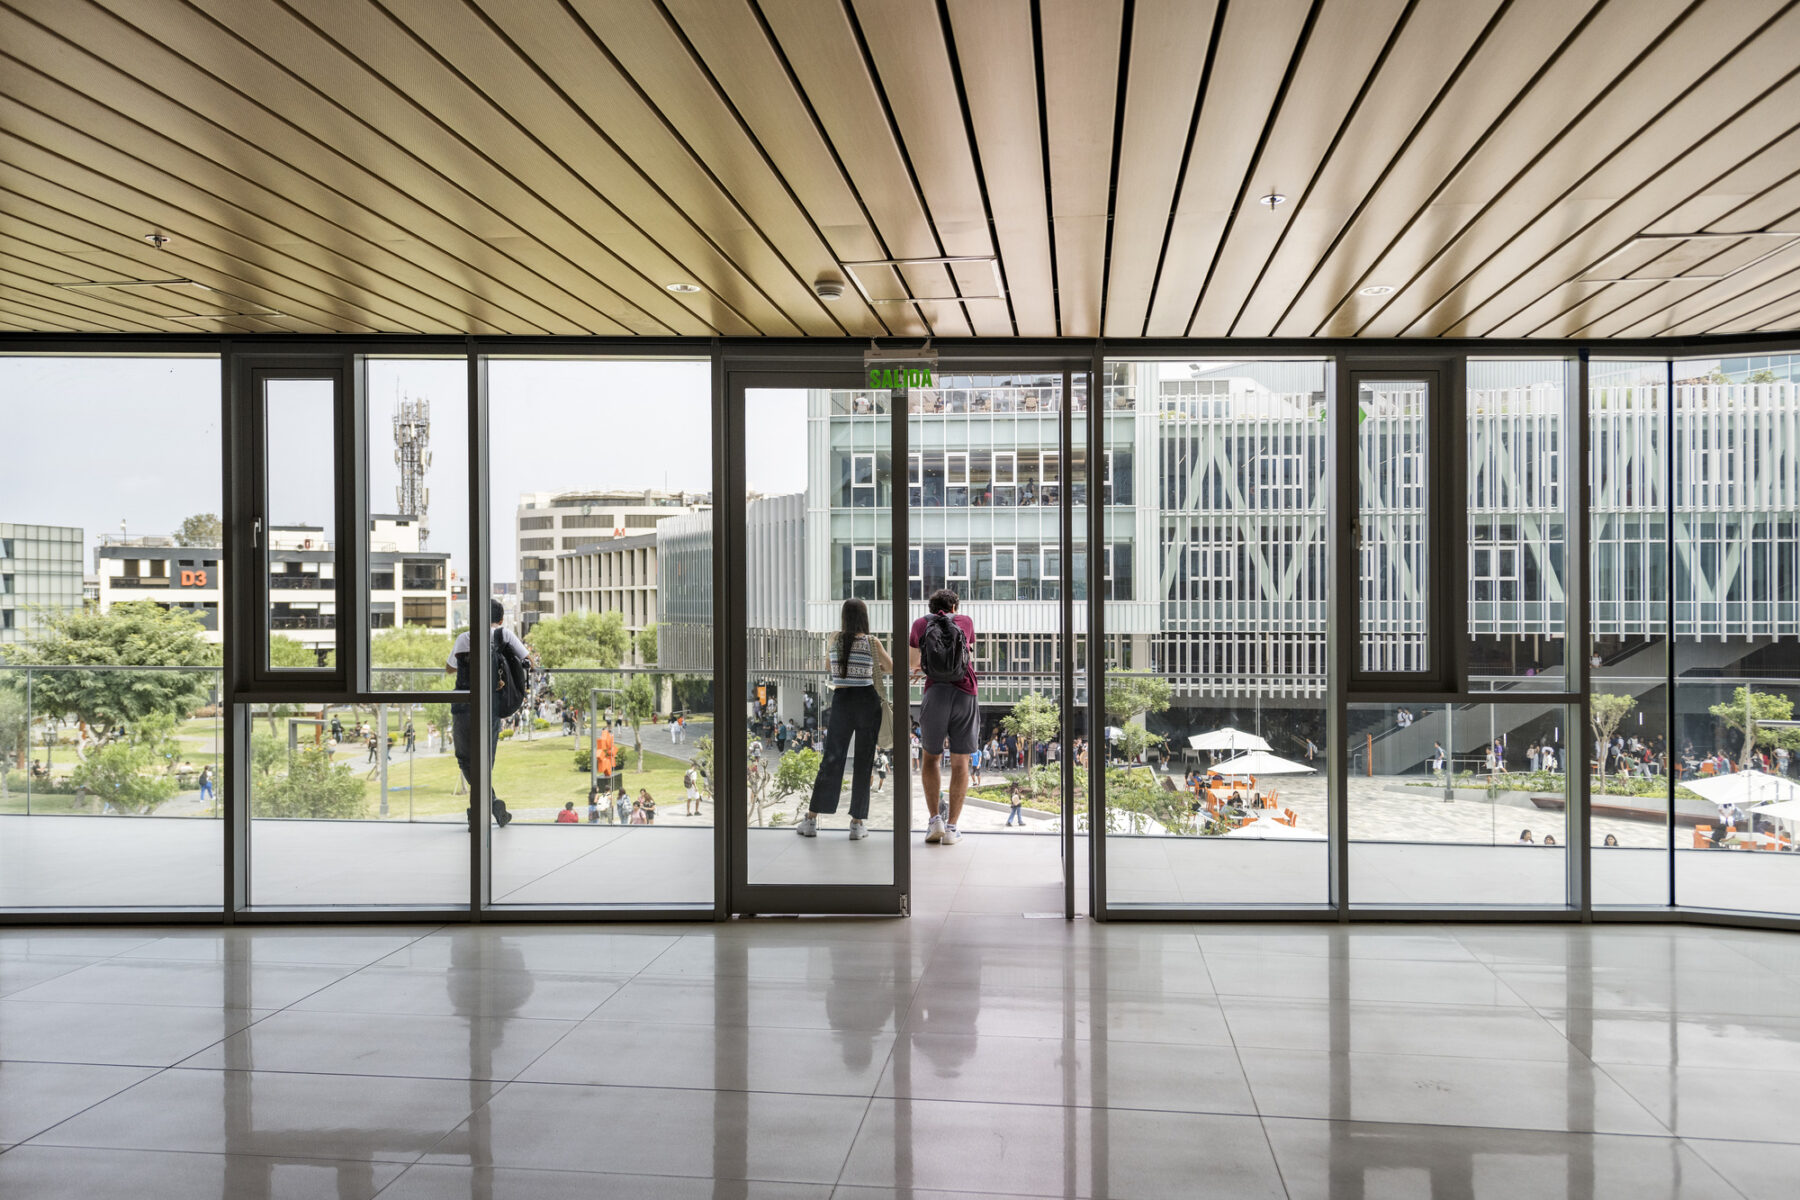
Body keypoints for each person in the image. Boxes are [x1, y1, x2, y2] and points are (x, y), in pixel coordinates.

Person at [800, 597, 893, 841]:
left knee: (832, 759)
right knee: (863, 762)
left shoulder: (834, 638)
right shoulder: (872, 642)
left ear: (844, 617)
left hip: (842, 701)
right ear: (864, 617)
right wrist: (874, 667)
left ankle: (811, 819)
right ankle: (857, 823)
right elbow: (891, 667)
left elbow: (831, 669)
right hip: (867, 701)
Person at [447, 598, 526, 828]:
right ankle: (489, 806)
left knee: (464, 758)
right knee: (485, 760)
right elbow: (527, 660)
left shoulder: (464, 638)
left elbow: (449, 667)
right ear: (500, 620)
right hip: (490, 705)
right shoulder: (504, 635)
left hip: (462, 704)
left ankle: (479, 812)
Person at [911, 588, 978, 846]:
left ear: (931, 607)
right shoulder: (966, 622)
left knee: (931, 757)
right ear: (954, 608)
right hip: (965, 692)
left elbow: (912, 662)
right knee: (961, 761)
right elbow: (967, 652)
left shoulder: (920, 624)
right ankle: (952, 829)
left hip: (935, 692)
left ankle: (934, 820)